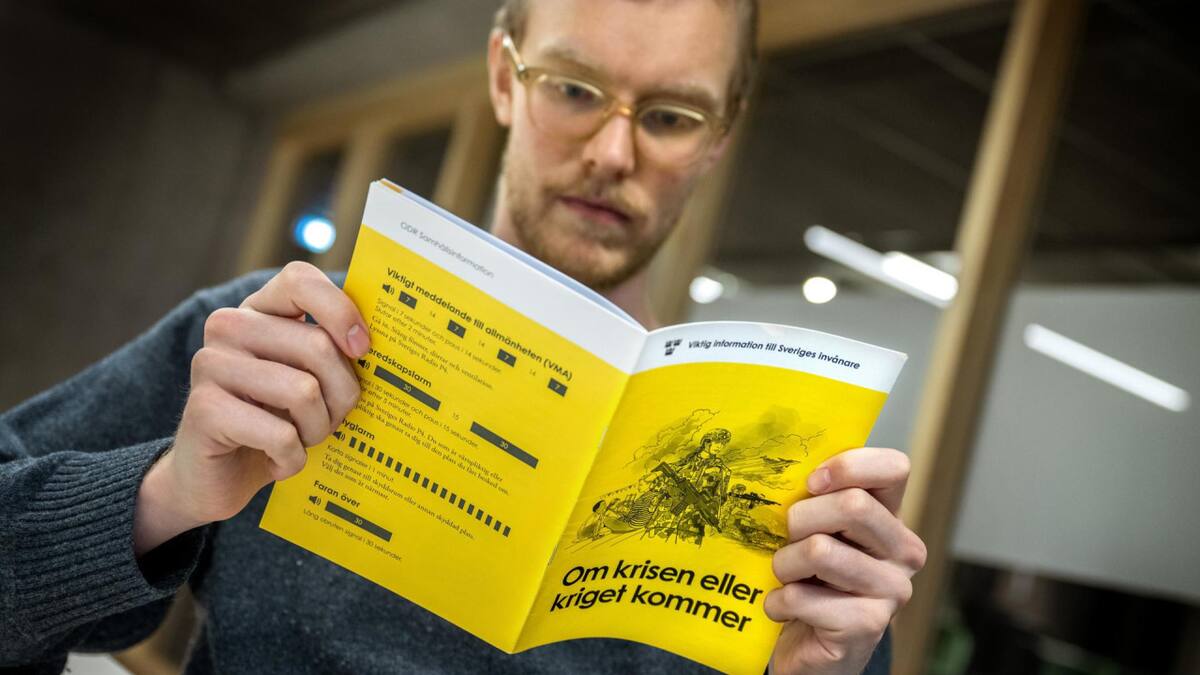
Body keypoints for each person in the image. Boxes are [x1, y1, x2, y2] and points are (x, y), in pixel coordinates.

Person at [0, 1, 926, 673]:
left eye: (672, 117)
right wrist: (164, 490)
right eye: (573, 88)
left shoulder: (787, 492)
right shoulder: (286, 341)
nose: (613, 153)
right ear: (501, 77)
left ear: (721, 136)